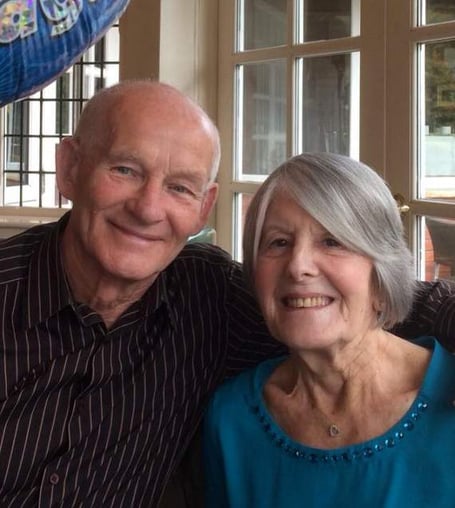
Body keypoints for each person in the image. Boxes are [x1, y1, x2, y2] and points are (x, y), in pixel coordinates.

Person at [0, 81, 452, 508]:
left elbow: (372, 300)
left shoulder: (209, 296)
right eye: (125, 170)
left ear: (203, 207)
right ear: (70, 168)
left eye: (179, 187)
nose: (148, 208)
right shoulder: (237, 408)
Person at [203, 153, 455, 508]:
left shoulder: (448, 396)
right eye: (278, 242)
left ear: (382, 274)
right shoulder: (232, 418)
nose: (298, 266)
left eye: (333, 241)